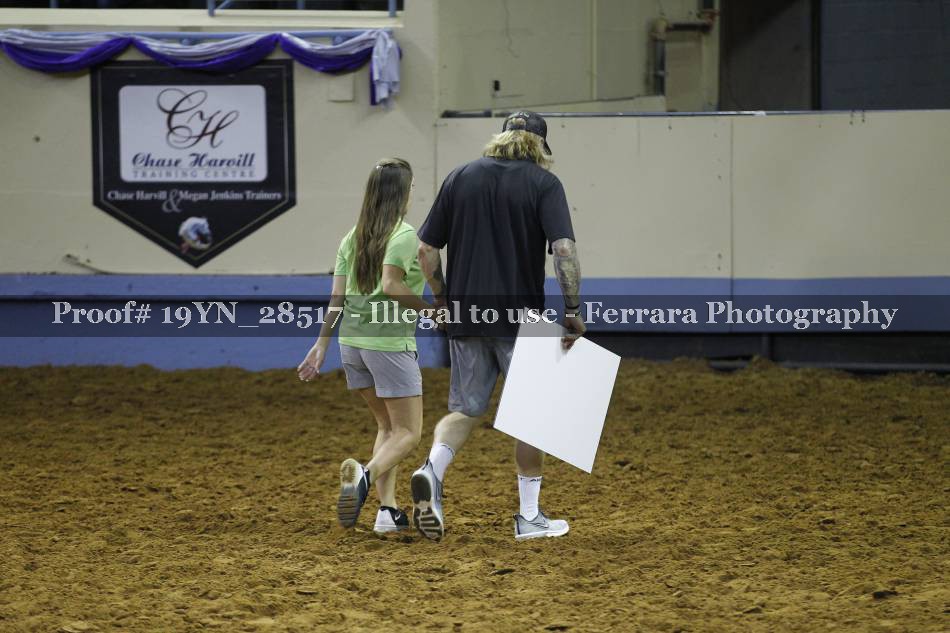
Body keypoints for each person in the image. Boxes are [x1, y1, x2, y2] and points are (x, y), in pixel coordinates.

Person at [409, 111, 586, 541]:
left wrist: (442, 298)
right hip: (521, 317)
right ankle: (529, 517)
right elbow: (563, 250)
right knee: (532, 415)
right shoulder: (544, 184)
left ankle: (432, 469)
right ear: (539, 145)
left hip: (467, 314)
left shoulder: (460, 177)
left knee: (465, 409)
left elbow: (426, 251)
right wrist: (573, 308)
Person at [297, 158, 431, 535]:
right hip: (388, 343)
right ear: (401, 193)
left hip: (351, 344)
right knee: (409, 433)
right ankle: (364, 478)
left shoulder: (351, 237)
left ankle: (387, 512)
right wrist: (431, 312)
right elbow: (391, 285)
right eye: (411, 187)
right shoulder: (404, 235)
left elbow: (337, 298)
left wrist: (321, 344)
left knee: (387, 427)